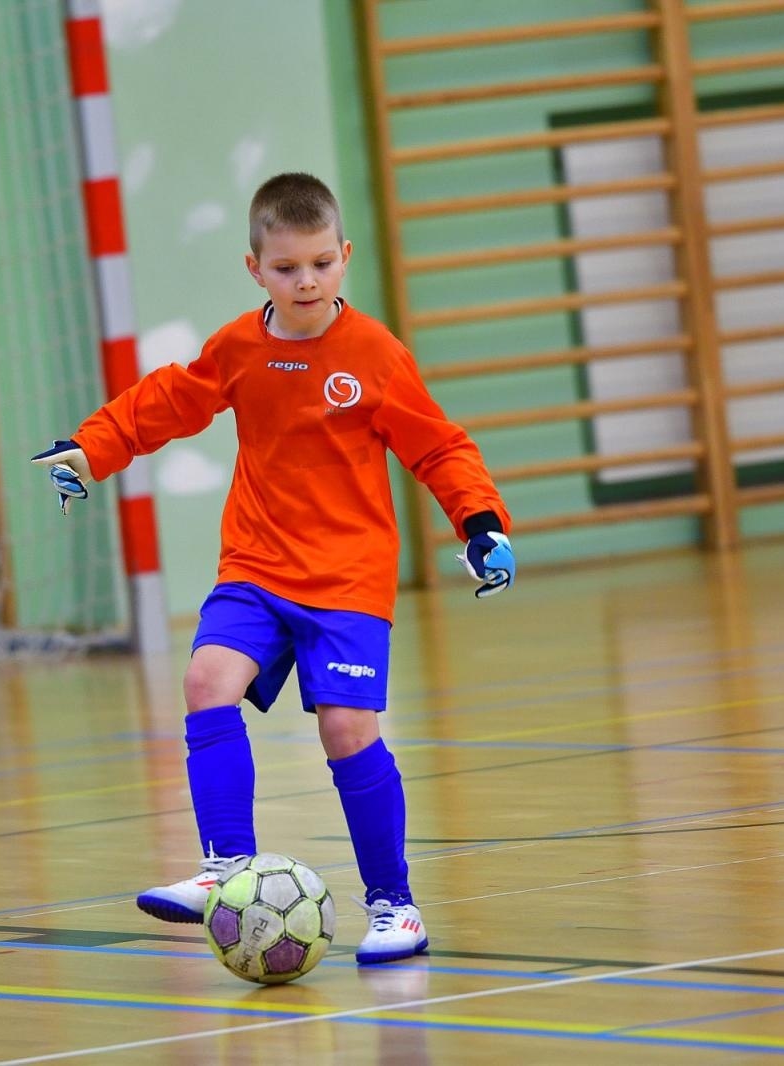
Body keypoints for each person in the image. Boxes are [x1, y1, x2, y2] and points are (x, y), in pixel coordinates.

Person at [34, 172, 514, 965]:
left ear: (344, 257)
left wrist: (482, 522)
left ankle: (394, 905)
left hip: (347, 577)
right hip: (256, 563)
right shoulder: (240, 348)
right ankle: (226, 869)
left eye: (323, 264)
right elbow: (170, 400)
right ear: (256, 269)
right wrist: (93, 448)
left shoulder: (373, 355)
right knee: (204, 682)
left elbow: (439, 447)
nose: (308, 281)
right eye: (288, 268)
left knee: (345, 728)